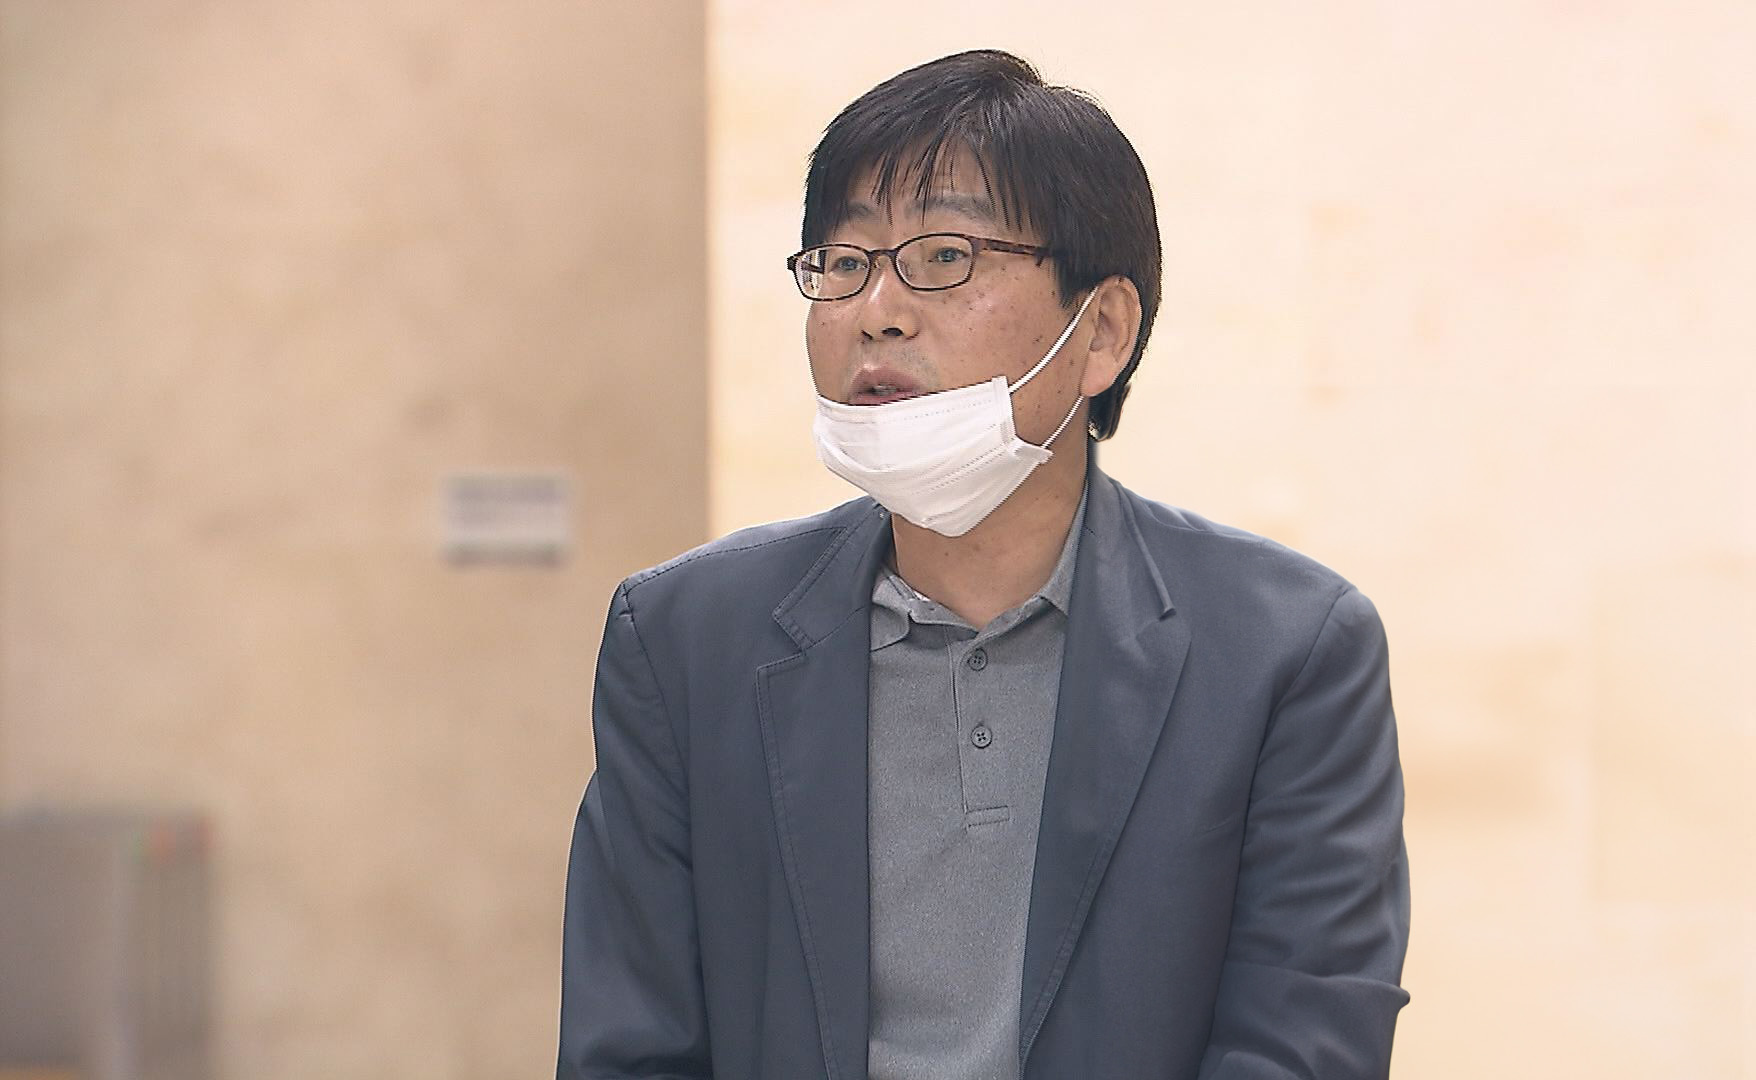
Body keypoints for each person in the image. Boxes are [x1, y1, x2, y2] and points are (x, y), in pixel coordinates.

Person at [558, 49, 1409, 1080]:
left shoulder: (1287, 651)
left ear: (1102, 332)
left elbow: (1303, 1041)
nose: (877, 309)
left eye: (945, 256)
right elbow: (630, 1045)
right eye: (843, 262)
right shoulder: (686, 638)